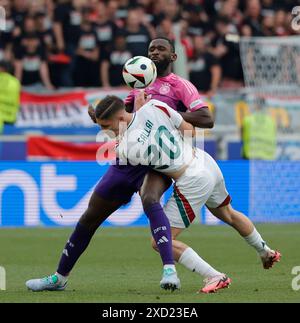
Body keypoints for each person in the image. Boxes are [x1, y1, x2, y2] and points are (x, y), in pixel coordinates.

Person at [25, 37, 215, 293]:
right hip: (126, 163)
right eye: (151, 49)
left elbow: (202, 121)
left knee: (150, 199)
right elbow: (122, 120)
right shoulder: (136, 90)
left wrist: (169, 121)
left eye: (160, 49)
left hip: (157, 162)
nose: (155, 53)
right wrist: (105, 118)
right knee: (90, 217)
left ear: (172, 56)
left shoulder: (179, 87)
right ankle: (59, 277)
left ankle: (169, 270)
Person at [94, 95, 281, 293]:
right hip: (203, 160)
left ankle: (214, 276)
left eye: (108, 126)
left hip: (192, 179)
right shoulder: (156, 106)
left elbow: (135, 160)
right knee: (228, 214)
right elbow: (190, 131)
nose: (107, 132)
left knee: (160, 240)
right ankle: (265, 251)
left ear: (121, 119)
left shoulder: (125, 148)